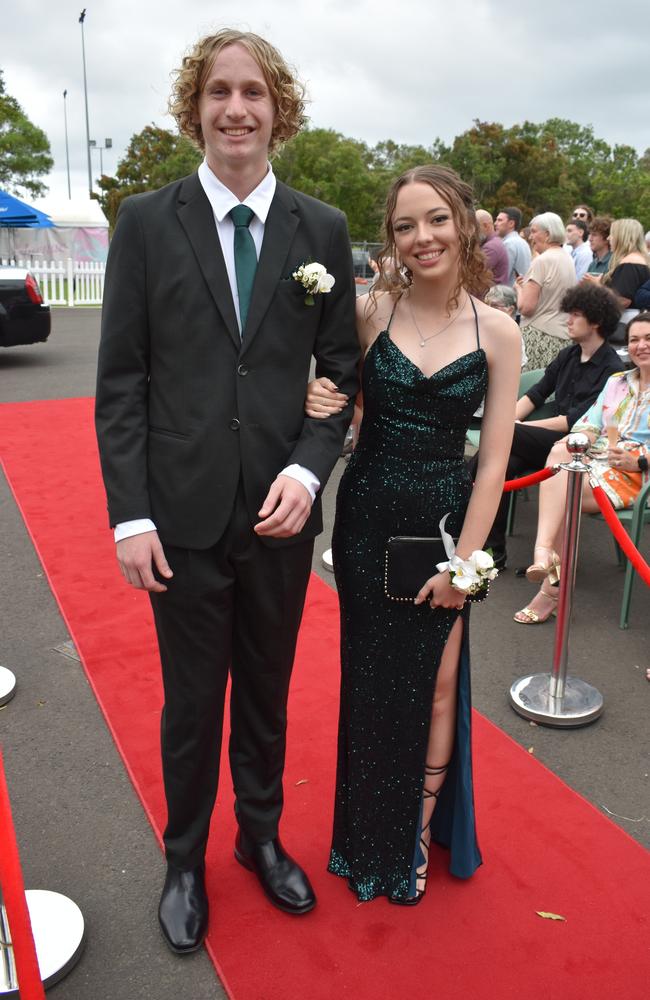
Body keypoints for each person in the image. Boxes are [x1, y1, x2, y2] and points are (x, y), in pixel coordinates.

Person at [95, 29, 359, 953]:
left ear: (278, 108)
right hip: (181, 515)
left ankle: (258, 837)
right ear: (195, 108)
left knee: (267, 691)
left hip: (280, 515)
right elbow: (122, 380)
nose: (236, 108)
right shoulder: (144, 221)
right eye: (219, 92)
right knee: (190, 698)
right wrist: (129, 514)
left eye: (253, 92)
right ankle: (183, 857)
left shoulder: (320, 230)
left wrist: (306, 463)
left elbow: (338, 371)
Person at [306, 165, 520, 903]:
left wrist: (468, 568)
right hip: (366, 519)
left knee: (434, 690)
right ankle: (363, 833)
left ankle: (411, 836)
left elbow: (492, 466)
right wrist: (320, 392)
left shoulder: (498, 331)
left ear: (463, 223)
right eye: (405, 225)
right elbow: (334, 395)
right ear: (392, 238)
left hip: (448, 530)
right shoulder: (373, 312)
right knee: (368, 684)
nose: (421, 237)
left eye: (435, 219)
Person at [469, 283, 622, 568]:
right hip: (545, 441)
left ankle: (457, 504)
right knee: (504, 462)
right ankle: (493, 551)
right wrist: (510, 418)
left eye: (575, 314)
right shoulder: (569, 355)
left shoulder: (612, 369)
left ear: (597, 320)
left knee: (502, 440)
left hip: (577, 448)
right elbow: (537, 392)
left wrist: (506, 427)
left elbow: (575, 421)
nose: (568, 319)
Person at [515, 312, 650, 624]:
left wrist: (639, 461)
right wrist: (582, 439)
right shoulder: (618, 382)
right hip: (596, 462)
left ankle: (548, 575)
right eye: (634, 340)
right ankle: (549, 568)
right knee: (563, 453)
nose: (640, 345)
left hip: (636, 473)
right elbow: (588, 423)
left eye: (648, 339)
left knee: (565, 485)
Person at [516, 212, 576, 371]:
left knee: (532, 389)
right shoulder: (567, 258)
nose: (530, 237)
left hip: (539, 337)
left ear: (548, 234)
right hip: (562, 337)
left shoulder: (541, 261)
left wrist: (518, 289)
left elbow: (526, 308)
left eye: (534, 231)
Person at [494, 206, 532, 286]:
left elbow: (503, 276)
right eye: (496, 220)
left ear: (511, 223)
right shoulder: (523, 242)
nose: (495, 223)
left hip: (508, 294)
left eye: (500, 220)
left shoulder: (508, 244)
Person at [476, 209, 510, 285]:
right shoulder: (494, 243)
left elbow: (473, 274)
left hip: (491, 294)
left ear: (485, 226)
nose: (473, 232)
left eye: (475, 228)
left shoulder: (491, 247)